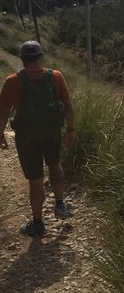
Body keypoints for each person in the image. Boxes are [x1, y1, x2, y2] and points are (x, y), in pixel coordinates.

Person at [0, 40, 75, 237]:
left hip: (27, 138)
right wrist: (70, 129)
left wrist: (0, 134)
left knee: (36, 181)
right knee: (55, 164)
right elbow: (67, 104)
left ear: (22, 59)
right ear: (41, 57)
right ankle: (60, 204)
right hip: (51, 133)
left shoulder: (12, 81)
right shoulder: (56, 77)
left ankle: (38, 224)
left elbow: (3, 113)